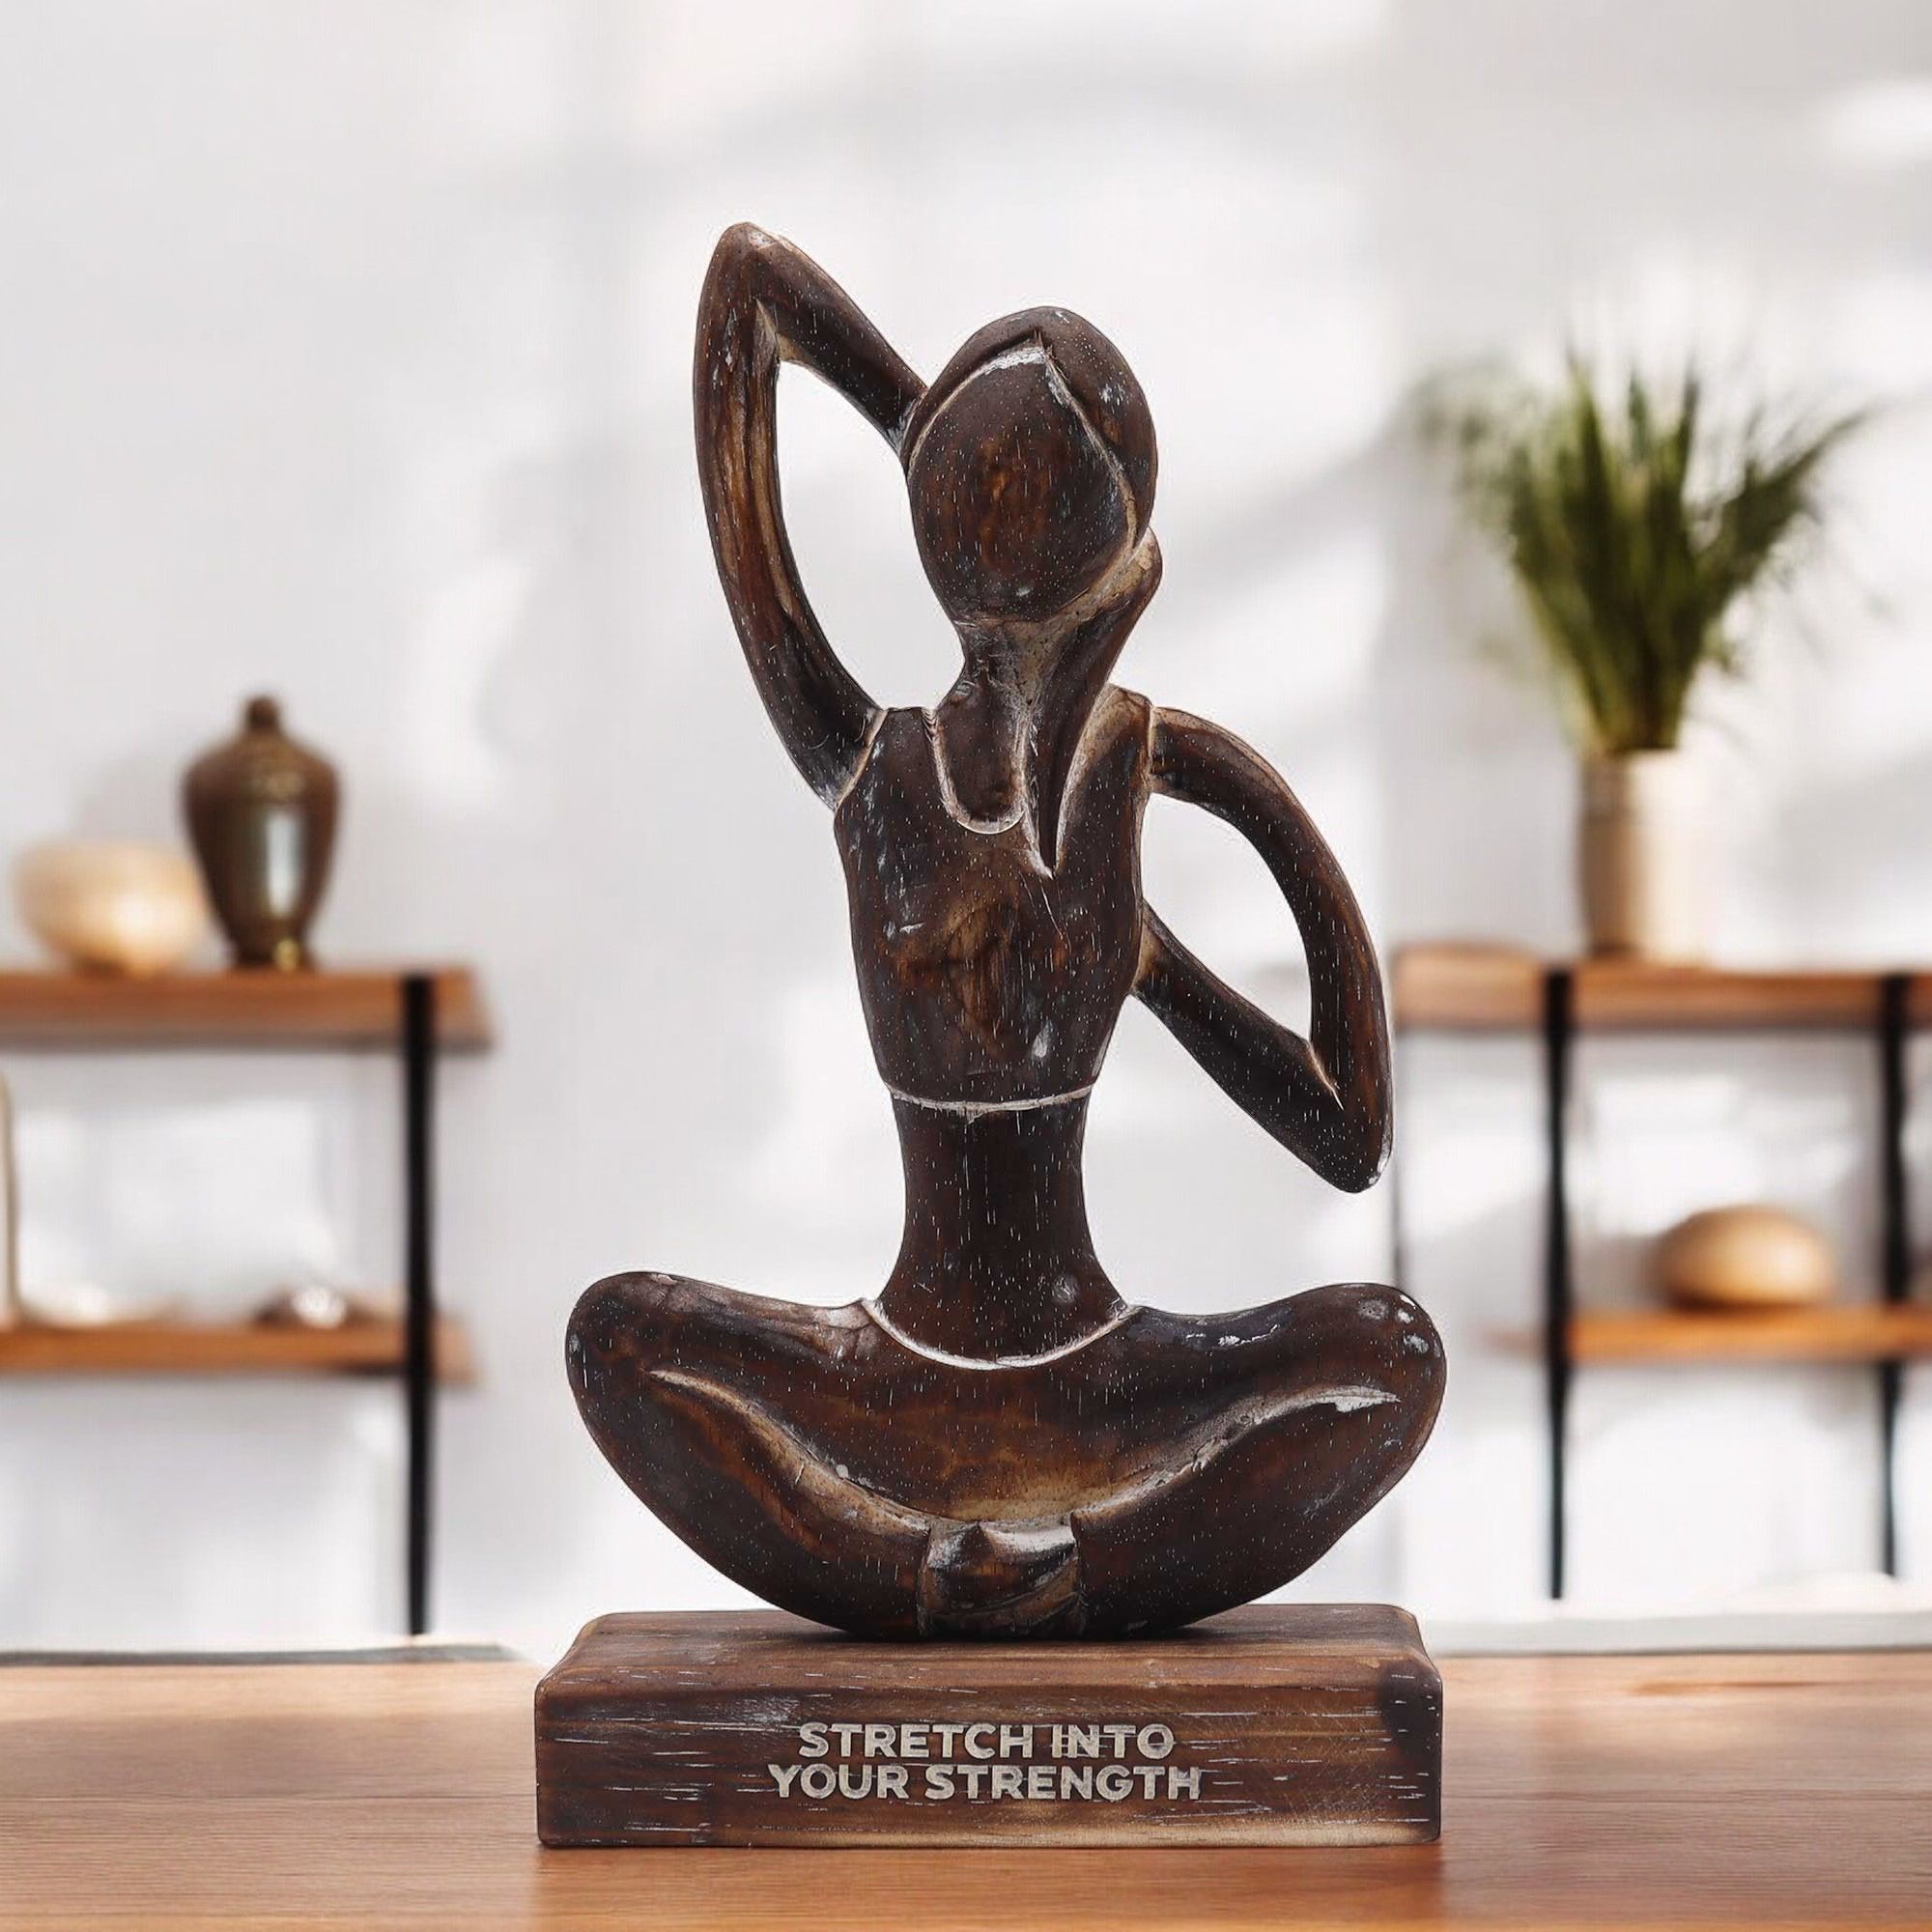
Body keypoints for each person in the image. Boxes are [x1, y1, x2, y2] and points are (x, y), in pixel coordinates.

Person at [568, 226, 1443, 1638]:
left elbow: (1350, 1133)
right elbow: (747, 289)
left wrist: (1147, 958)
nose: (997, 513)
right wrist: (936, 433)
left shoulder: (1149, 763)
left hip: (1101, 1376)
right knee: (618, 1337)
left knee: (1386, 1354)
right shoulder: (872, 765)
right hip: (890, 1376)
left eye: (1028, 490)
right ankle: (947, 1571)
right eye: (984, 489)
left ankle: (1039, 1568)